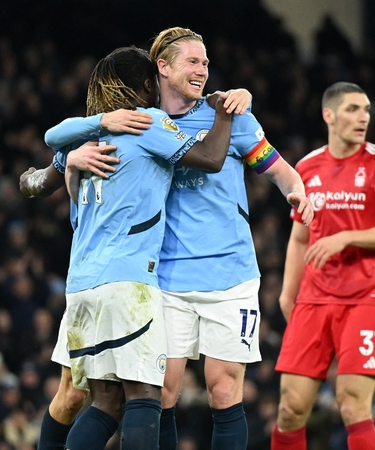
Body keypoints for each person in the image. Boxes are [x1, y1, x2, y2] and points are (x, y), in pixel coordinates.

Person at [28, 45, 234, 450]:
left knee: (106, 402)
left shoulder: (83, 139)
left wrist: (79, 144)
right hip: (129, 283)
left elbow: (32, 180)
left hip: (81, 285)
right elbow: (211, 158)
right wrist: (224, 112)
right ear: (146, 85)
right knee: (144, 396)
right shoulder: (148, 122)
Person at [148, 27, 313, 450]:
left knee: (223, 389)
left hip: (231, 276)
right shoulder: (145, 122)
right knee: (162, 391)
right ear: (163, 67)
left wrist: (296, 192)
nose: (202, 69)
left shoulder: (233, 117)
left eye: (205, 62)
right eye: (192, 61)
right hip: (166, 278)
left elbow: (280, 170)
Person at [272, 81, 375, 450]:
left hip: (366, 298)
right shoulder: (307, 167)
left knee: (352, 404)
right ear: (329, 115)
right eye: (353, 109)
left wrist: (345, 238)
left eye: (366, 110)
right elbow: (300, 238)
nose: (363, 117)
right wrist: (288, 294)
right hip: (314, 299)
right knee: (290, 408)